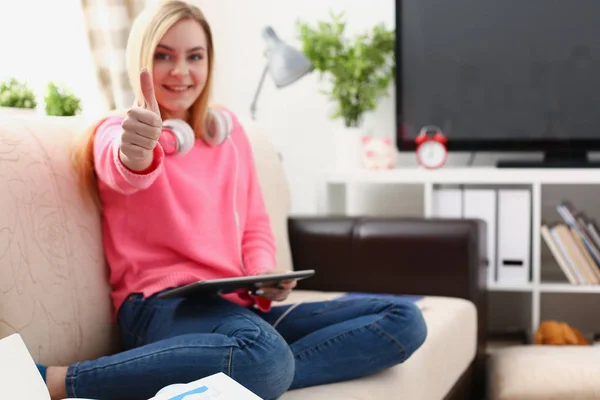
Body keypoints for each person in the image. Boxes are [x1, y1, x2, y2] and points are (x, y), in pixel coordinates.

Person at [37, 1, 427, 399]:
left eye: (195, 56)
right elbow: (123, 166)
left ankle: (251, 368)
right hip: (161, 308)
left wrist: (263, 278)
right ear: (140, 59)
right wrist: (136, 152)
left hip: (235, 308)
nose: (181, 71)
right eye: (163, 56)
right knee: (265, 356)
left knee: (404, 318)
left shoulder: (227, 133)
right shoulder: (121, 130)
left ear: (209, 62)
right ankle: (57, 380)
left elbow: (256, 223)